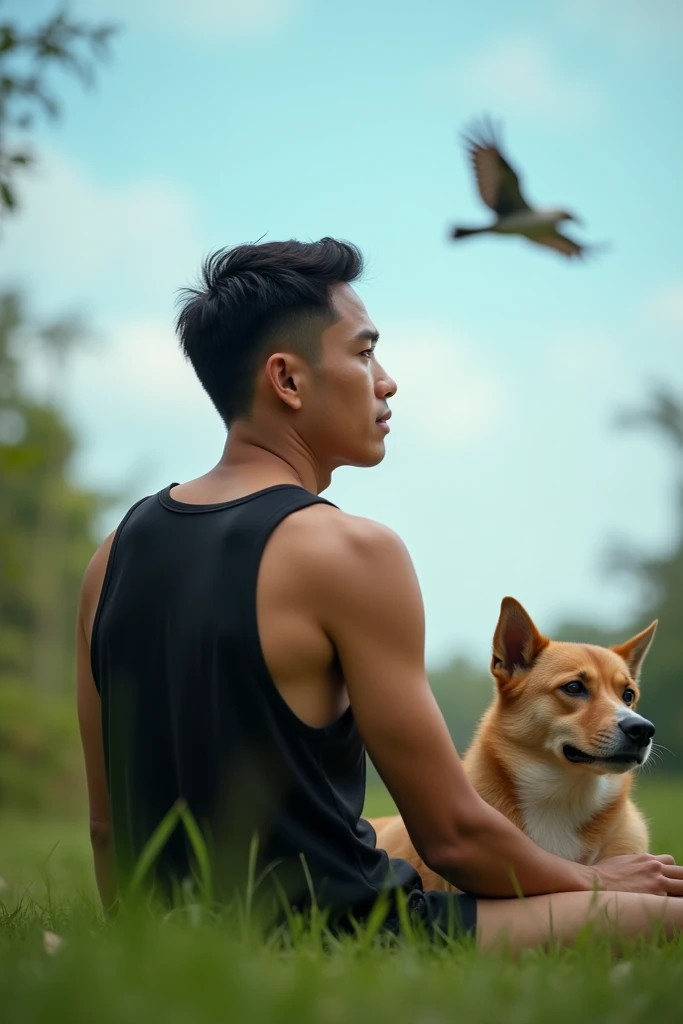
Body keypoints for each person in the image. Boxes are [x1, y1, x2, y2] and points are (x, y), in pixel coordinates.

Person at [77, 237, 683, 951]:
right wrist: (601, 884)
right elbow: (452, 835)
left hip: (171, 935)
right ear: (288, 380)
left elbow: (108, 826)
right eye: (364, 353)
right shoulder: (353, 552)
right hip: (343, 931)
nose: (387, 381)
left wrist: (142, 946)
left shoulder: (111, 554)